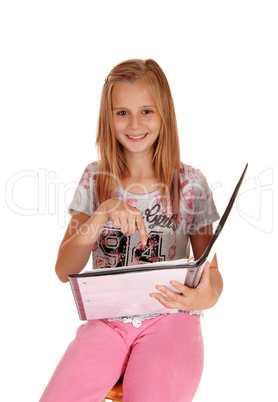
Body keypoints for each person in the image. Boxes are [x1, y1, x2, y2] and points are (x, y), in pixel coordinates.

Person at [40, 59, 223, 402]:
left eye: (146, 111)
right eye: (121, 112)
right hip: (107, 323)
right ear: (107, 118)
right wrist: (103, 212)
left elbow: (210, 273)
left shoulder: (190, 184)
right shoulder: (95, 179)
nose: (134, 123)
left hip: (170, 319)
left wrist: (207, 296)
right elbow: (64, 270)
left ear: (164, 113)